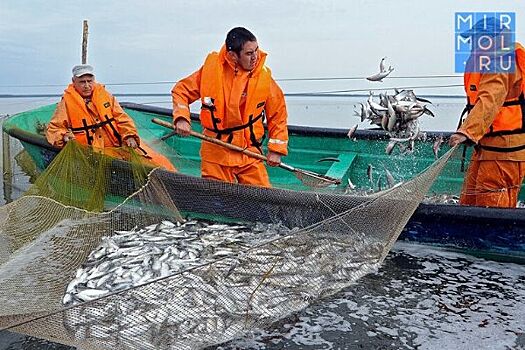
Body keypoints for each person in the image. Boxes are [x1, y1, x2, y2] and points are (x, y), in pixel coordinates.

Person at [171, 27, 288, 187]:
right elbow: (181, 90)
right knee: (217, 202)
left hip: (249, 153)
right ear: (233, 55)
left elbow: (278, 115)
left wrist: (275, 150)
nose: (255, 57)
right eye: (249, 53)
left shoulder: (264, 78)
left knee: (264, 199)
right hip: (216, 153)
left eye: (256, 50)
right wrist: (182, 118)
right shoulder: (211, 71)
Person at [449, 17, 525, 207]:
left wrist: (467, 132)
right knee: (469, 203)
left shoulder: (500, 61)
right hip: (487, 148)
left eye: (475, 40)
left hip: (503, 152)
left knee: (491, 208)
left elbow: (490, 100)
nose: (472, 46)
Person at [46, 64, 175, 171]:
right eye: (82, 82)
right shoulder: (66, 103)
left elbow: (122, 119)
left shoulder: (106, 96)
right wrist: (63, 136)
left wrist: (130, 135)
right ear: (74, 82)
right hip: (91, 153)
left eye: (89, 81)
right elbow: (54, 129)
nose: (86, 85)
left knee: (159, 162)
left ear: (94, 80)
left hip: (120, 147)